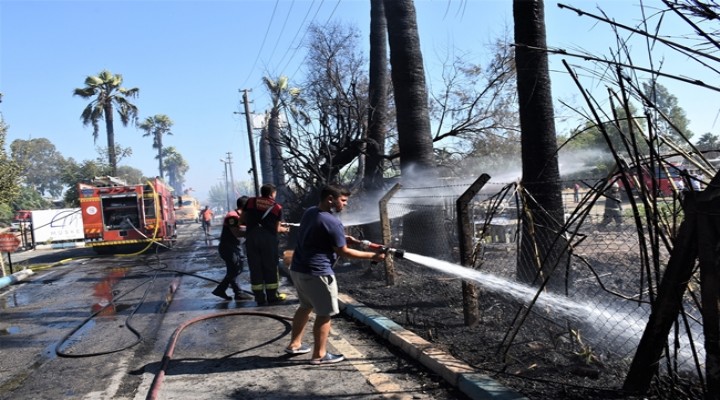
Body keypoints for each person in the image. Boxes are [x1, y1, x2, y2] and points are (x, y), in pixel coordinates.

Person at [284, 185, 386, 365]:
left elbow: (319, 235)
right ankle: (319, 355)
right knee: (324, 314)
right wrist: (373, 256)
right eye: (343, 200)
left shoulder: (310, 212)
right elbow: (343, 252)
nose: (345, 204)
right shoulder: (333, 222)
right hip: (317, 273)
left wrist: (345, 240)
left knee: (305, 306)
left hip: (298, 269)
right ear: (330, 199)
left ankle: (294, 344)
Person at [241, 183, 290, 305]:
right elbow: (277, 229)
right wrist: (286, 229)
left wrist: (253, 224)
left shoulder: (251, 202)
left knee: (255, 267)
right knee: (270, 266)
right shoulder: (277, 207)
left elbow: (242, 220)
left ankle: (259, 298)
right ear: (271, 194)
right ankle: (272, 296)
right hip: (268, 240)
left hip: (252, 238)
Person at [212, 196, 254, 301]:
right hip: (228, 247)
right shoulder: (232, 216)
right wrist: (254, 231)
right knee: (235, 269)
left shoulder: (243, 216)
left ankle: (222, 290)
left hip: (236, 247)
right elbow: (236, 232)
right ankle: (237, 292)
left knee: (236, 269)